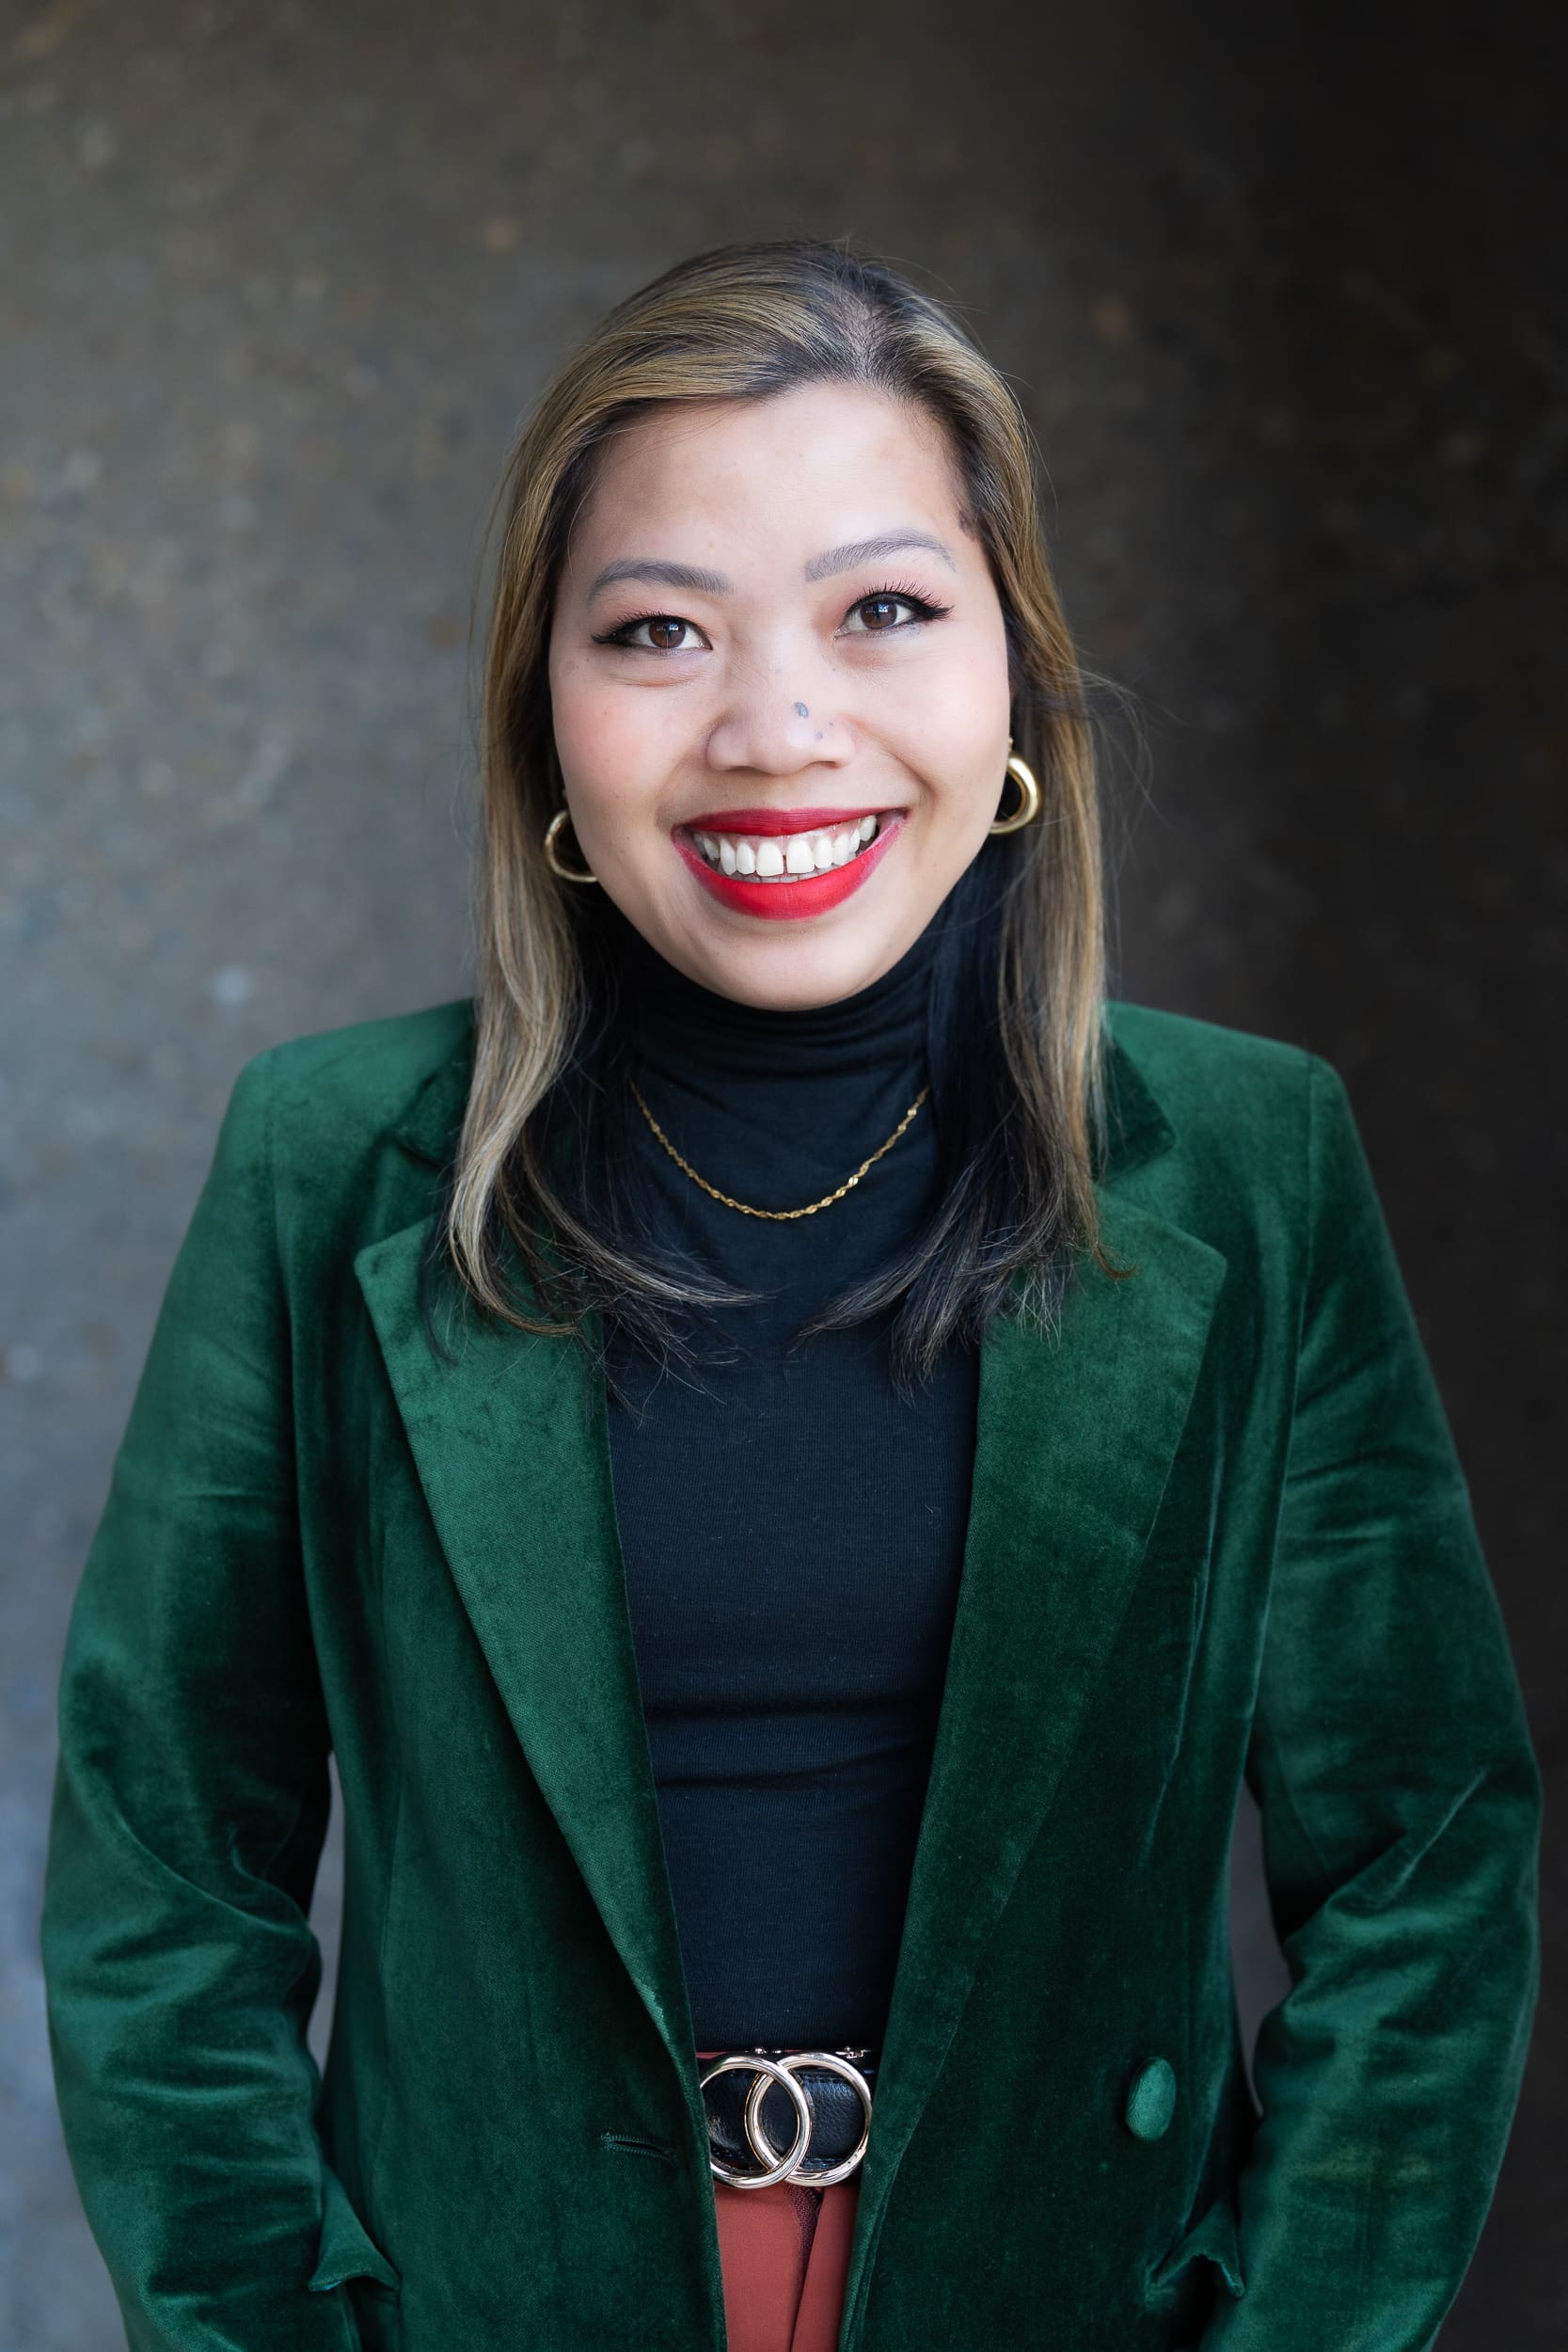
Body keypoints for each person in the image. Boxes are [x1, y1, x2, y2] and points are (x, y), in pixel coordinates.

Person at [41, 239, 1540, 2352]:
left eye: (885, 611)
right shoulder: (330, 1161)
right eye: (658, 628)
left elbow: (1427, 1854)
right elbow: (163, 1872)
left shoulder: (1251, 1156)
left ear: (1009, 674)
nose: (776, 726)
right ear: (542, 706)